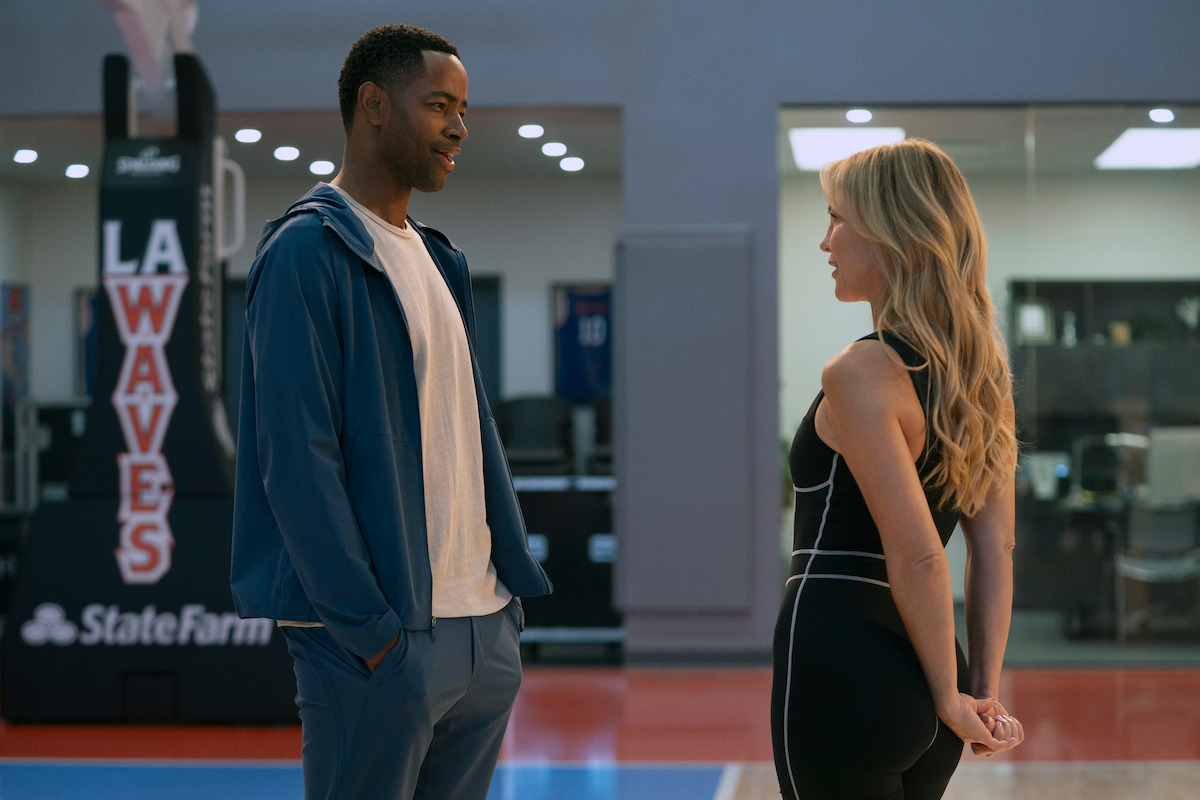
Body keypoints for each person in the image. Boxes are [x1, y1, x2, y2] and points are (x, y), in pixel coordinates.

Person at [230, 24, 552, 800]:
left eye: (463, 110)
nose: (459, 128)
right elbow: (297, 461)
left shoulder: (439, 259)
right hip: (381, 641)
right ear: (373, 105)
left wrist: (502, 615)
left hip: (482, 627)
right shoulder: (305, 250)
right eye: (439, 105)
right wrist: (370, 632)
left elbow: (464, 434)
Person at [771, 138, 1025, 799]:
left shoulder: (859, 370)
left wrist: (947, 695)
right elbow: (994, 549)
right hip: (932, 672)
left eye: (836, 218)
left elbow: (919, 556)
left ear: (889, 234)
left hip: (842, 659)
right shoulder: (983, 380)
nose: (825, 242)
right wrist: (976, 695)